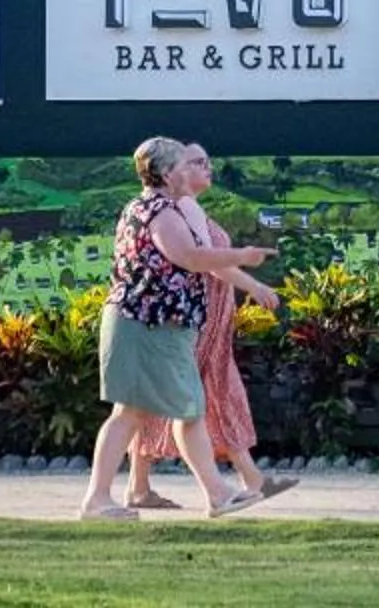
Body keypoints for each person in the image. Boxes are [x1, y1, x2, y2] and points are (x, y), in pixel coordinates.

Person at [80, 135, 276, 521]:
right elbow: (188, 257)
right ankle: (100, 500)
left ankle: (214, 495)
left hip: (151, 325)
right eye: (185, 165)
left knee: (174, 410)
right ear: (168, 173)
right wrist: (244, 257)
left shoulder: (149, 206)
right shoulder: (162, 212)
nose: (193, 170)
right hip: (149, 327)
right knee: (161, 411)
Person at [124, 144, 293, 510]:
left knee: (198, 396)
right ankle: (237, 483)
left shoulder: (189, 207)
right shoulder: (177, 207)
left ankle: (245, 479)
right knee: (190, 398)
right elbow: (203, 260)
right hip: (196, 318)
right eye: (196, 162)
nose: (206, 169)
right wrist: (255, 283)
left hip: (208, 317)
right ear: (173, 171)